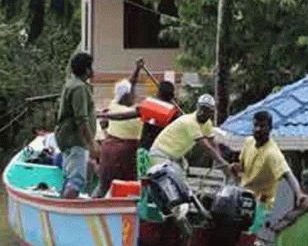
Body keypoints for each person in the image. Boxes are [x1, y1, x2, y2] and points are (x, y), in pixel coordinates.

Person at [232, 111, 308, 210]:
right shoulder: (248, 142)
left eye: (262, 126)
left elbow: (287, 174)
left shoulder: (272, 153)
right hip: (244, 198)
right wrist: (236, 168)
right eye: (255, 125)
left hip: (261, 207)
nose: (257, 129)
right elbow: (243, 167)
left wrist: (299, 194)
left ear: (269, 129)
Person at [148, 94, 232, 179]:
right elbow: (207, 146)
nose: (203, 112)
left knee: (179, 184)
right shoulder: (190, 122)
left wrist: (222, 162)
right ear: (197, 107)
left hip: (173, 158)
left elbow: (213, 144)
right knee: (169, 185)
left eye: (207, 110)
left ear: (212, 112)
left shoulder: (207, 123)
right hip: (160, 154)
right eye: (202, 108)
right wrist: (223, 164)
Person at [94, 59, 144, 197]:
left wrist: (137, 70)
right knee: (127, 188)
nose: (134, 95)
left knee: (104, 186)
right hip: (123, 154)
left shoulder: (113, 104)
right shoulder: (132, 112)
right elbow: (124, 115)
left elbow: (129, 85)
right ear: (127, 95)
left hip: (108, 149)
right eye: (132, 94)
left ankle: (93, 206)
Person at [55, 52, 99, 198]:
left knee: (71, 177)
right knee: (76, 180)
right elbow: (82, 120)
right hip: (75, 140)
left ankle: (64, 203)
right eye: (90, 67)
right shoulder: (79, 88)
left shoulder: (74, 84)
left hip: (68, 139)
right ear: (86, 69)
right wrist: (92, 144)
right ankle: (66, 211)